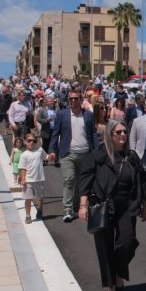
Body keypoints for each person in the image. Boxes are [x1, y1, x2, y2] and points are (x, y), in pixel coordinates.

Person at [79, 120, 146, 291]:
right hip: (102, 206)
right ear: (110, 135)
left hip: (127, 206)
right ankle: (110, 285)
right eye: (118, 132)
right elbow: (86, 179)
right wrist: (82, 205)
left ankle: (119, 272)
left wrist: (144, 205)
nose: (123, 135)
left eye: (125, 132)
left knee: (127, 241)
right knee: (104, 247)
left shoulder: (132, 156)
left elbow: (141, 180)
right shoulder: (99, 155)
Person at [48, 92, 97, 223]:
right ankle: (67, 210)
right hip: (67, 154)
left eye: (76, 98)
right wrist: (52, 150)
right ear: (68, 100)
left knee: (82, 183)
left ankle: (77, 207)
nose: (73, 101)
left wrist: (97, 151)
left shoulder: (88, 115)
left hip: (85, 153)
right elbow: (56, 133)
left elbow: (93, 134)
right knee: (68, 180)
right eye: (71, 99)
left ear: (80, 100)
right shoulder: (62, 115)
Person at [19, 134, 47, 223]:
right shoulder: (24, 155)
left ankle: (40, 210)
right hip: (29, 180)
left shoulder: (40, 150)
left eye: (34, 141)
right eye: (29, 140)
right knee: (28, 198)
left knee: (40, 197)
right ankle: (28, 215)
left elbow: (46, 157)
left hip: (40, 178)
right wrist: (23, 179)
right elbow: (23, 168)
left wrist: (51, 156)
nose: (32, 142)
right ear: (25, 142)